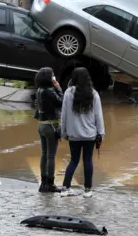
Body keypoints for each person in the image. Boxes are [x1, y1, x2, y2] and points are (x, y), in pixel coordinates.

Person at [60, 67, 105, 198]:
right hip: (90, 135)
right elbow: (99, 116)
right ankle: (88, 190)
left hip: (73, 135)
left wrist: (63, 132)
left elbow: (64, 115)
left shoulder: (68, 93)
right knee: (87, 161)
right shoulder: (93, 93)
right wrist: (101, 134)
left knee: (73, 160)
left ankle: (65, 188)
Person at [34, 67, 64, 193]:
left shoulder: (39, 90)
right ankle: (50, 184)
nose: (54, 77)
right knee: (51, 156)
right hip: (51, 126)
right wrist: (59, 88)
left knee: (44, 155)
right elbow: (62, 102)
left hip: (42, 125)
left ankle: (43, 184)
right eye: (52, 75)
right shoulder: (50, 91)